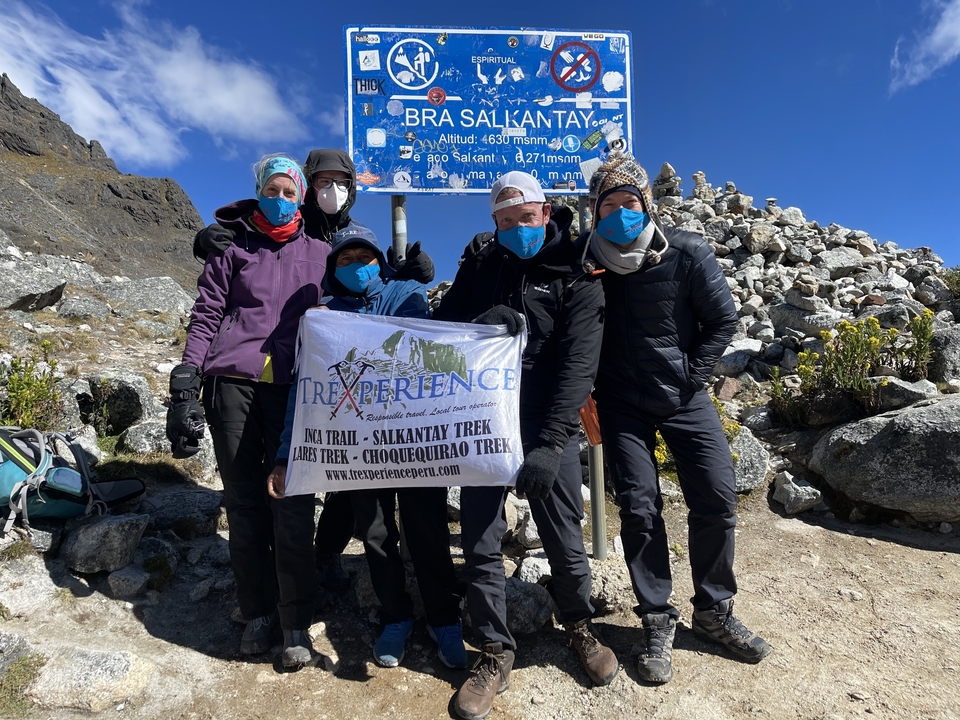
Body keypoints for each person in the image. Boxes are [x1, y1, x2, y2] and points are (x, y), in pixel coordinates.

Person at [193, 149, 436, 594]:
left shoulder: (354, 233)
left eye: (338, 182)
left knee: (345, 481)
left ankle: (323, 557)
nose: (329, 191)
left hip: (345, 380)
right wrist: (207, 238)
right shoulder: (284, 219)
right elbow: (250, 249)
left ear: (351, 189)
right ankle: (272, 586)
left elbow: (369, 281)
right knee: (276, 486)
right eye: (320, 182)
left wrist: (405, 274)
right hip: (287, 375)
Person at [582, 152, 771, 684]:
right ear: (594, 211)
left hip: (685, 397)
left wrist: (692, 377)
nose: (621, 213)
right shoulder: (584, 263)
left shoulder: (687, 252)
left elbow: (722, 320)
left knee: (715, 496)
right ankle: (656, 618)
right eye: (609, 205)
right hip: (621, 405)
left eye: (630, 202)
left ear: (648, 203)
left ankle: (714, 611)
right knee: (640, 508)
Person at [434, 172, 617, 720]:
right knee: (481, 537)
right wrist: (477, 324)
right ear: (495, 222)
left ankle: (580, 627)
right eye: (505, 221)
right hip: (484, 420)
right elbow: (445, 329)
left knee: (564, 532)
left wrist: (550, 441)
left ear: (545, 212)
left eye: (527, 218)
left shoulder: (578, 268)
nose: (518, 229)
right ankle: (494, 650)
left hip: (547, 421)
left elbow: (579, 363)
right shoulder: (480, 266)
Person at [268, 222, 466, 671]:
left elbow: (430, 348)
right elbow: (306, 391)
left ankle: (444, 619)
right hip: (359, 449)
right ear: (334, 268)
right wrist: (285, 454)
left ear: (381, 261)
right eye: (346, 259)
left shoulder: (405, 296)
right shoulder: (322, 317)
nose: (357, 266)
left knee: (428, 531)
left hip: (413, 441)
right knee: (376, 535)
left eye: (366, 258)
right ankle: (396, 617)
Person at [166, 155, 324, 667]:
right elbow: (209, 310)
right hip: (231, 385)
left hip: (296, 390)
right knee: (243, 501)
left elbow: (358, 296)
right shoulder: (230, 248)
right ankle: (257, 611)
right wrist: (189, 375)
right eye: (271, 189)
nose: (279, 198)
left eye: (288, 191)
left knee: (293, 502)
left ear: (301, 198)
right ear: (259, 191)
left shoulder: (322, 253)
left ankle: (296, 620)